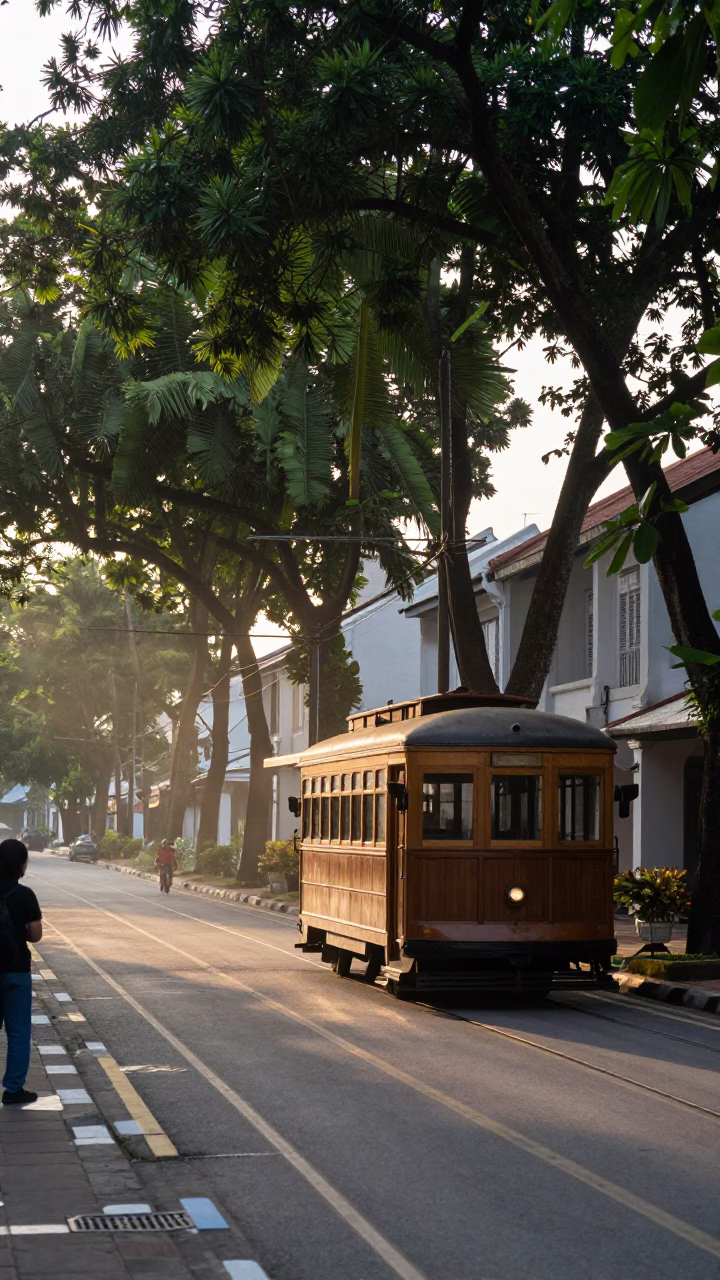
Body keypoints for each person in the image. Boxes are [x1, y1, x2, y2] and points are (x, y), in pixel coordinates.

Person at [0, 839, 42, 1105]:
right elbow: (36, 935)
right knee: (17, 1032)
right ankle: (13, 1089)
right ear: (21, 865)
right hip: (15, 972)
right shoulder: (24, 895)